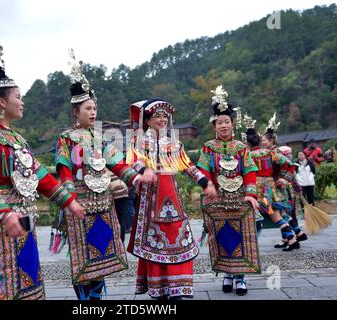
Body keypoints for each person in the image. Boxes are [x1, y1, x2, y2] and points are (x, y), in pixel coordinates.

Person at [0, 32, 84, 300]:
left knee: (28, 280)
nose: (23, 101)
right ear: (2, 102)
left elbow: (41, 176)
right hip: (0, 223)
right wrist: (5, 214)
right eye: (18, 96)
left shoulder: (18, 140)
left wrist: (69, 202)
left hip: (24, 222)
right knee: (4, 285)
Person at [55, 51, 156, 300]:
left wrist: (137, 177)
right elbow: (63, 170)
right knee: (82, 259)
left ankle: (98, 300)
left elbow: (117, 163)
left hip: (103, 204)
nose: (93, 112)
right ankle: (85, 301)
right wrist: (69, 200)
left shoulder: (100, 139)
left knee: (101, 256)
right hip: (79, 205)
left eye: (95, 108)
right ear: (76, 111)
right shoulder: (66, 139)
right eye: (88, 108)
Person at [126, 98, 216, 300]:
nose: (162, 119)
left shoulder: (174, 144)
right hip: (150, 201)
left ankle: (177, 288)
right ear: (148, 121)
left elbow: (189, 167)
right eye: (157, 115)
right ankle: (159, 289)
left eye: (164, 116)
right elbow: (135, 162)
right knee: (155, 243)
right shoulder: (139, 142)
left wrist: (205, 183)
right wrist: (145, 170)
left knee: (177, 241)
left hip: (173, 200)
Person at [197, 86, 260, 296]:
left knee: (240, 236)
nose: (223, 125)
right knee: (222, 236)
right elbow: (203, 168)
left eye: (227, 121)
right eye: (219, 122)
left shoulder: (241, 148)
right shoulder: (208, 147)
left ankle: (240, 277)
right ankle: (226, 273)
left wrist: (251, 194)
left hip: (239, 199)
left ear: (232, 124)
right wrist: (208, 184)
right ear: (214, 125)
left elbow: (250, 171)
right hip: (217, 200)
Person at [246, 124, 302, 252]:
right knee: (278, 212)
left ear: (248, 143)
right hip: (271, 185)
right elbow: (291, 164)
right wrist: (284, 178)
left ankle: (291, 237)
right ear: (259, 141)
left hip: (259, 187)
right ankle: (296, 234)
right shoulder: (270, 153)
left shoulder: (248, 156)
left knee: (273, 213)